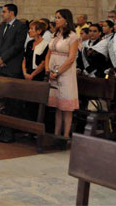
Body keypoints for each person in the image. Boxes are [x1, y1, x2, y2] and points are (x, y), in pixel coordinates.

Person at [45, 9, 80, 138]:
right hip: (52, 72)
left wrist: (58, 71)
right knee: (58, 106)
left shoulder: (73, 36)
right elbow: (48, 54)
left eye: (59, 17)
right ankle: (56, 134)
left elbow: (71, 58)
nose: (56, 20)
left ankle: (65, 136)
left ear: (66, 20)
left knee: (66, 106)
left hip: (65, 74)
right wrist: (48, 70)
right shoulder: (55, 35)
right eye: (55, 17)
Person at [0, 4, 28, 78]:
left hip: (11, 66)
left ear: (11, 13)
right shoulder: (2, 25)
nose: (2, 14)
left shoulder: (20, 26)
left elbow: (17, 46)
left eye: (4, 12)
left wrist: (3, 58)